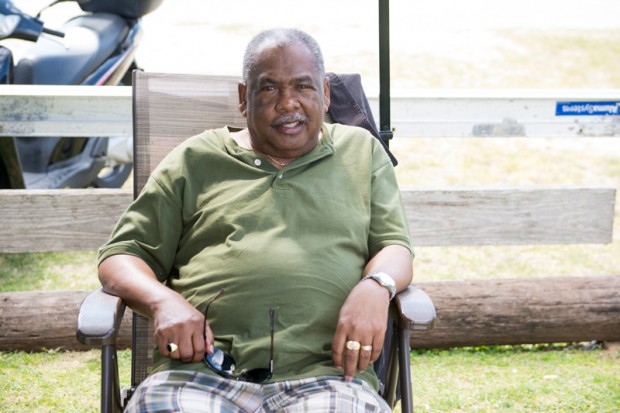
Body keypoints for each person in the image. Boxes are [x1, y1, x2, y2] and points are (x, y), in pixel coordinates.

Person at [98, 27, 413, 412]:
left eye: (303, 87)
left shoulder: (361, 153)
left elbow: (394, 247)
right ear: (243, 98)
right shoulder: (195, 159)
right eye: (269, 88)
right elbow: (121, 256)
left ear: (326, 93)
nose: (288, 103)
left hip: (331, 378)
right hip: (198, 375)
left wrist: (377, 286)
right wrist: (162, 301)